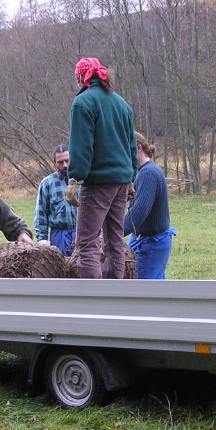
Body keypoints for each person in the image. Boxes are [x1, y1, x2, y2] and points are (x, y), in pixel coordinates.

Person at [68, 57, 137, 279]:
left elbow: (81, 146)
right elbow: (131, 146)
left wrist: (75, 179)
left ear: (82, 78)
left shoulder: (84, 103)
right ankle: (114, 297)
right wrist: (130, 179)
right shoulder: (122, 104)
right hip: (121, 183)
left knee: (86, 244)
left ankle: (94, 302)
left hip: (98, 183)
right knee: (115, 241)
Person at [123, 132, 176, 279]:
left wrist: (114, 234)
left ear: (138, 148)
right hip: (142, 239)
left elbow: (139, 212)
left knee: (145, 293)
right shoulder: (142, 171)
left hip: (152, 243)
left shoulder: (148, 174)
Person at [34, 145, 77, 257]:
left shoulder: (83, 181)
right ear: (54, 162)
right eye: (60, 162)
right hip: (59, 234)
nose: (65, 165)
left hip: (82, 232)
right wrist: (42, 240)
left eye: (67, 161)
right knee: (61, 270)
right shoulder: (47, 184)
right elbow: (41, 214)